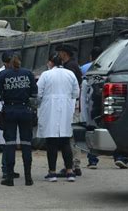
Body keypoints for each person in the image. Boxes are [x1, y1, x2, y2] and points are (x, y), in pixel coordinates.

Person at [80, 47, 128, 169]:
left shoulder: (86, 68)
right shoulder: (113, 66)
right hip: (111, 101)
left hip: (95, 103)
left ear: (91, 57)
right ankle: (120, 158)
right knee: (115, 129)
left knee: (93, 129)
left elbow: (84, 88)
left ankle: (92, 161)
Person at [0, 52, 37, 186]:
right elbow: (35, 93)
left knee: (10, 144)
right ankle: (28, 178)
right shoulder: (28, 73)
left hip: (10, 111)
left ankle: (10, 177)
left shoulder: (2, 75)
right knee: (26, 144)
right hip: (25, 110)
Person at [37, 53, 80, 182]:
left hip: (49, 109)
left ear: (51, 63)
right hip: (66, 109)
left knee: (51, 142)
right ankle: (70, 171)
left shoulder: (46, 74)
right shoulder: (70, 74)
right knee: (65, 141)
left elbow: (38, 92)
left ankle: (52, 172)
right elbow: (76, 93)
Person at [55, 44, 83, 176]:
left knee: (70, 135)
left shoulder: (69, 67)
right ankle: (74, 164)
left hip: (71, 106)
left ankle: (72, 164)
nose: (58, 55)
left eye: (59, 53)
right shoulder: (73, 65)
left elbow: (73, 89)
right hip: (74, 104)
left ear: (64, 54)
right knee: (71, 135)